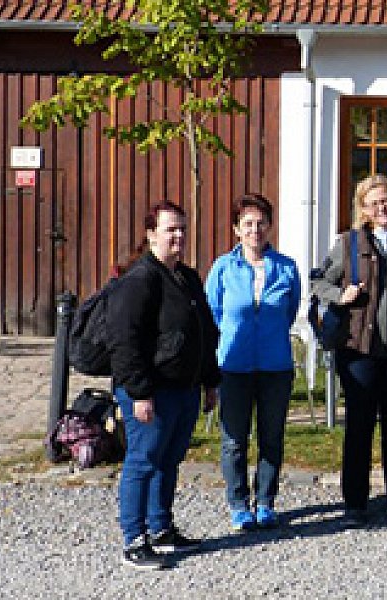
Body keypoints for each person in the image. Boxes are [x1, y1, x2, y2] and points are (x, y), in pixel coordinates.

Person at [311, 175, 387, 526]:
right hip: (359, 349)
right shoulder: (349, 244)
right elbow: (318, 281)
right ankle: (356, 503)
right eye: (374, 203)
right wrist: (341, 295)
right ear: (363, 209)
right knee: (359, 425)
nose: (382, 208)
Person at [108, 202, 220, 570]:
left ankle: (161, 528)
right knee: (142, 461)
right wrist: (139, 392)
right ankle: (134, 539)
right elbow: (123, 341)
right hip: (151, 390)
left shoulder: (187, 277)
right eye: (171, 230)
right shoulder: (139, 280)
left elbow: (204, 333)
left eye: (183, 229)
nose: (179, 236)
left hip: (183, 388)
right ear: (151, 234)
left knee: (169, 460)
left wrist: (209, 382)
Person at [205, 193, 302, 531]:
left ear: (270, 226)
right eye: (247, 223)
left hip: (275, 366)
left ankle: (266, 501)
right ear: (236, 229)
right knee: (234, 439)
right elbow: (213, 313)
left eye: (261, 223)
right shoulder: (222, 268)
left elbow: (288, 312)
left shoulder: (287, 268)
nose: (255, 229)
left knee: (271, 436)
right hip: (233, 365)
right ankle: (237, 503)